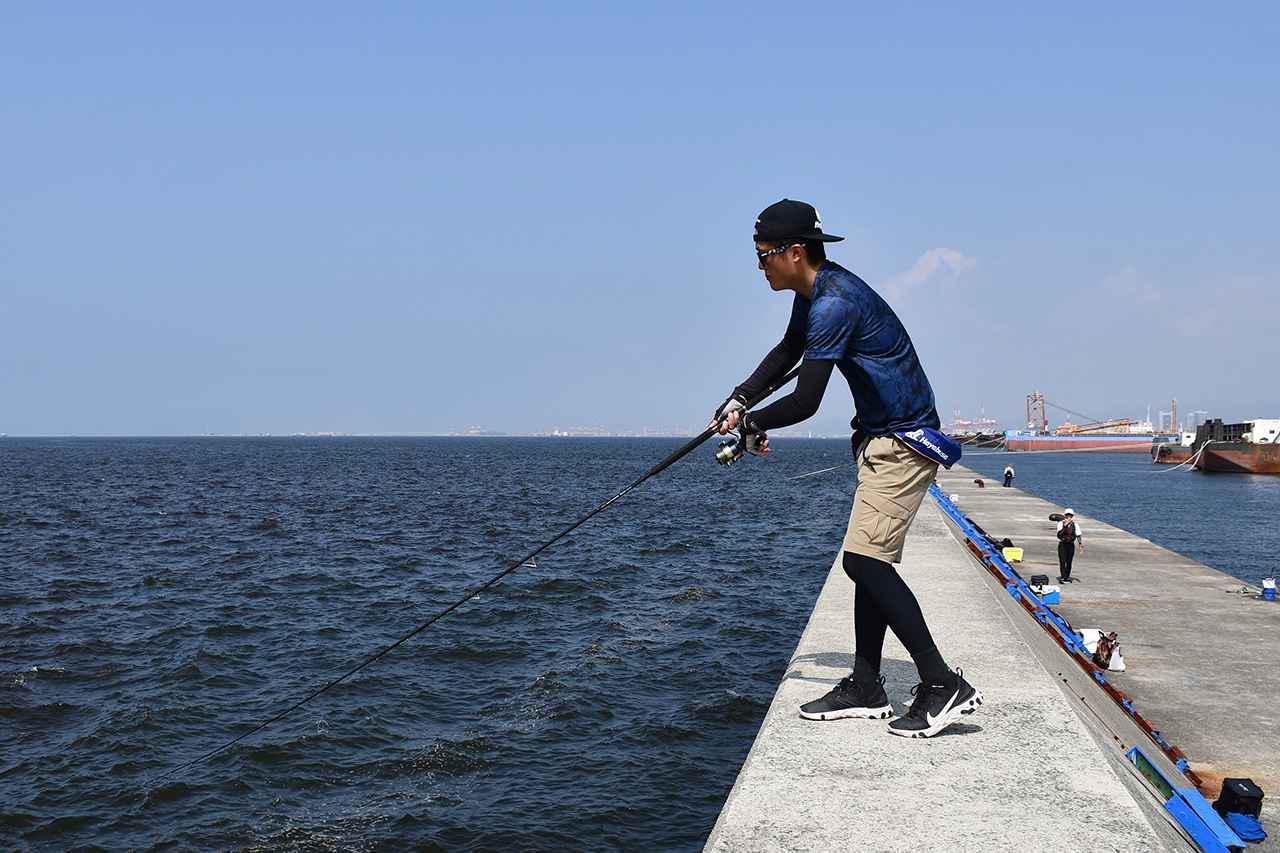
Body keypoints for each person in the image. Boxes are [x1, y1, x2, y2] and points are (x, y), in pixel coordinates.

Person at [708, 199, 980, 738]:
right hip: (881, 437)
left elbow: (807, 400)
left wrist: (750, 425)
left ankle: (942, 683)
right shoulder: (816, 293)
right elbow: (789, 350)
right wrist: (740, 400)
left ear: (794, 252)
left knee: (865, 562)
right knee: (866, 560)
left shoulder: (834, 303)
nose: (760, 266)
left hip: (903, 442)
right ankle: (866, 684)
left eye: (763, 256)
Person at [1056, 508, 1084, 582]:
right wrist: (1065, 526)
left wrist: (1080, 544)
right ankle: (1063, 576)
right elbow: (1059, 535)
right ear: (1065, 516)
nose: (1069, 517)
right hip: (1063, 544)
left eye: (1070, 516)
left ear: (1072, 516)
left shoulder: (1075, 525)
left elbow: (1078, 535)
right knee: (1062, 561)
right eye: (1067, 515)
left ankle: (1067, 576)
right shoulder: (1060, 524)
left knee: (1069, 561)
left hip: (1070, 545)